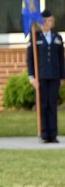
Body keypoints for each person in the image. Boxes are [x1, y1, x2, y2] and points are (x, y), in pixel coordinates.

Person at [27, 9, 65, 143]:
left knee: (52, 105)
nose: (46, 23)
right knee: (43, 105)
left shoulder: (57, 38)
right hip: (41, 77)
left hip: (54, 77)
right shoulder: (35, 37)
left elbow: (61, 59)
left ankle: (53, 134)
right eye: (44, 21)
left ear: (52, 22)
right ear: (39, 23)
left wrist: (62, 77)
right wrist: (31, 76)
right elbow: (30, 58)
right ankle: (44, 134)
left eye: (49, 21)